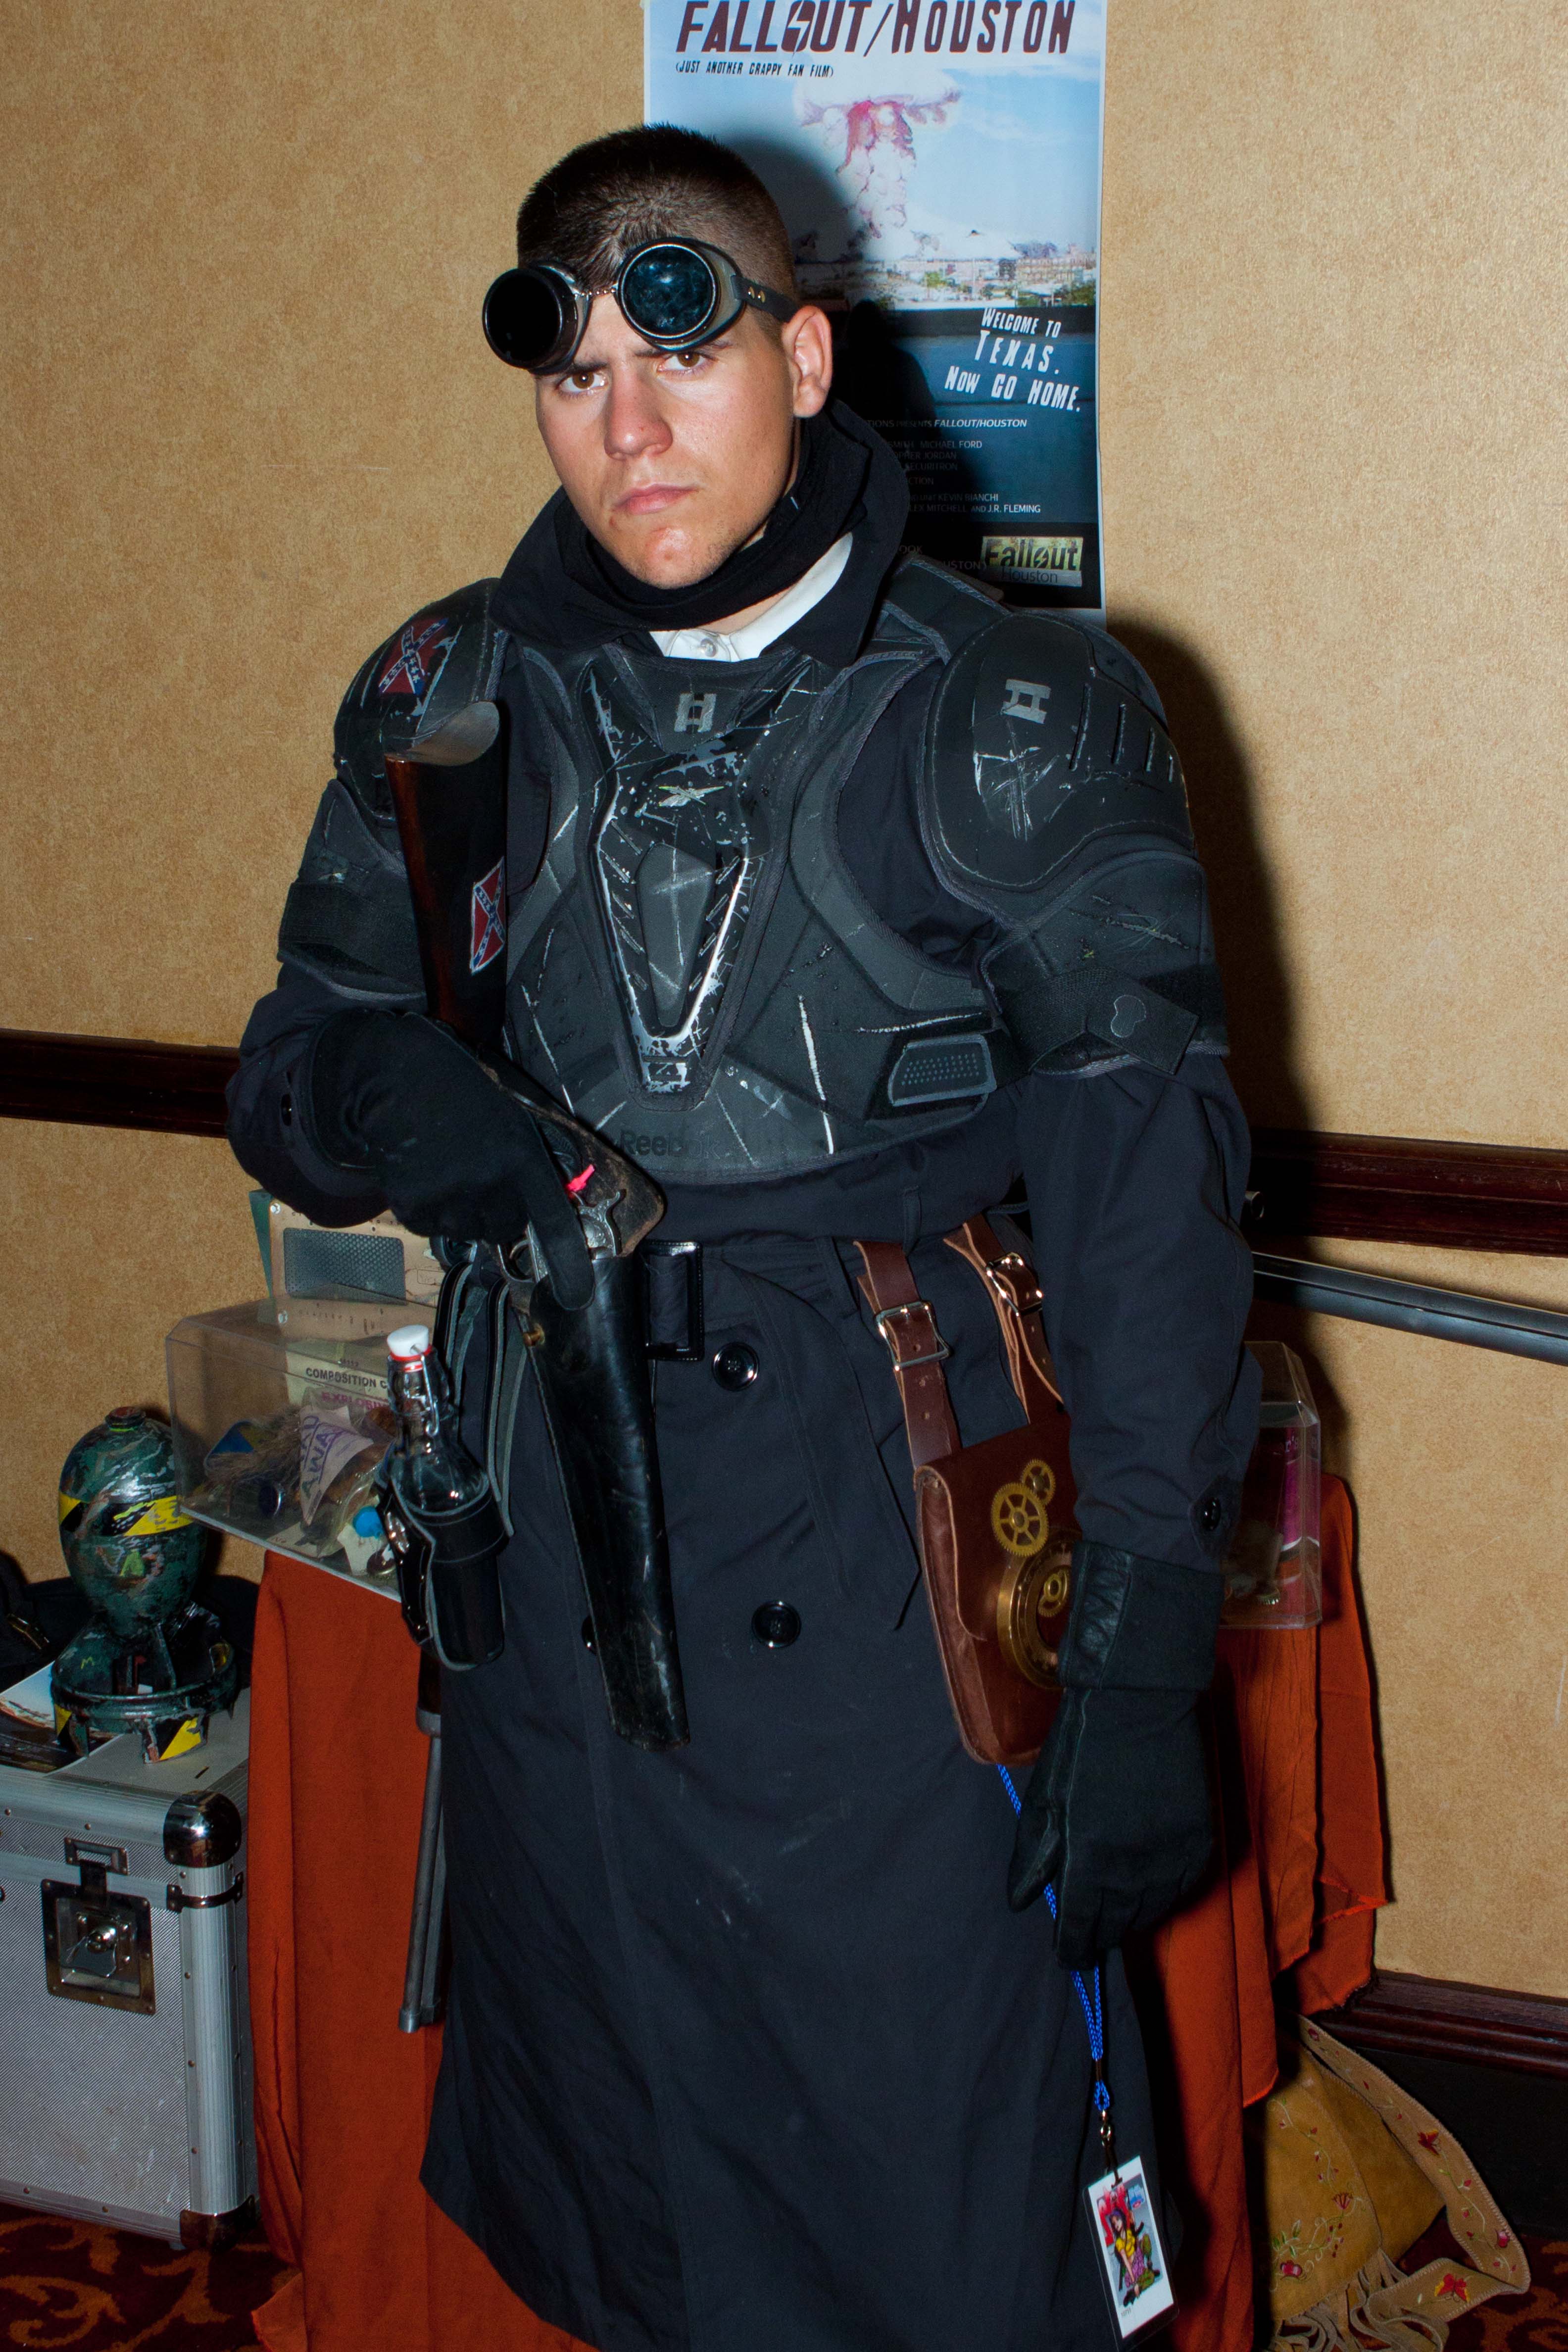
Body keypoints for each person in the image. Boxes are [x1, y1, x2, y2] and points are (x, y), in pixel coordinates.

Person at [229, 124, 1260, 2352]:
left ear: (801, 359)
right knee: (634, 2180)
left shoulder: (1016, 706)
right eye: (573, 370)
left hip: (893, 1553)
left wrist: (1144, 1650)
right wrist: (393, 1106)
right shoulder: (448, 699)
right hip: (559, 1544)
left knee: (938, 2190)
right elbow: (286, 1072)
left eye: (679, 351)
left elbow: (1148, 1210)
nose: (628, 425)